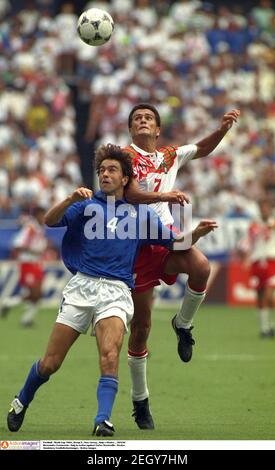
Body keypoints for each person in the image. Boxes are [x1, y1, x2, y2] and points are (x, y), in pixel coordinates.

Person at [7, 143, 217, 437]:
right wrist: (68, 199)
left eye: (112, 170)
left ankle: (102, 420)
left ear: (125, 178)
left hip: (118, 291)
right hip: (82, 287)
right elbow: (49, 221)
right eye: (102, 170)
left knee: (109, 355)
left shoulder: (143, 216)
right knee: (50, 364)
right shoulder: (85, 205)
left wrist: (197, 233)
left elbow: (176, 245)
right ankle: (21, 401)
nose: (105, 174)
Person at [121, 103, 240, 429]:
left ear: (157, 129)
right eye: (136, 119)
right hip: (135, 245)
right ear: (131, 129)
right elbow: (128, 194)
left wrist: (222, 130)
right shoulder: (122, 157)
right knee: (141, 330)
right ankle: (140, 400)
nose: (142, 121)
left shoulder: (169, 156)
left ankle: (183, 324)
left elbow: (201, 148)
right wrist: (164, 197)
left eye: (148, 118)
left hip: (165, 238)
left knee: (202, 267)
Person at [0, 206, 48, 327]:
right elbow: (17, 245)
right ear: (36, 215)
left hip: (36, 263)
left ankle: (21, 314)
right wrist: (34, 252)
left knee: (38, 294)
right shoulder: (30, 228)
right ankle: (12, 306)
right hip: (27, 263)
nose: (44, 218)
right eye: (42, 215)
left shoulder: (39, 228)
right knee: (34, 293)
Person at [238, 199, 275, 338]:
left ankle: (269, 325)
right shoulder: (255, 224)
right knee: (260, 296)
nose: (264, 210)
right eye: (262, 207)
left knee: (268, 295)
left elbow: (271, 227)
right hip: (256, 262)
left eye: (266, 207)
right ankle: (265, 328)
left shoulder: (272, 222)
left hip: (272, 262)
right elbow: (250, 237)